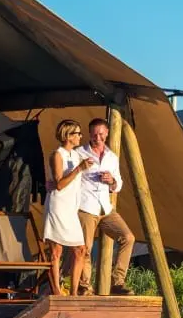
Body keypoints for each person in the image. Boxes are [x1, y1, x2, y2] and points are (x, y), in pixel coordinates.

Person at [75, 117, 135, 295]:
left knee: (128, 237)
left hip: (105, 207)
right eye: (94, 135)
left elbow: (119, 184)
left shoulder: (111, 157)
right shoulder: (79, 153)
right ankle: (84, 286)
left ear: (107, 133)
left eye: (101, 134)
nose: (98, 138)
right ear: (89, 134)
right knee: (85, 248)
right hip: (85, 206)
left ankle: (117, 282)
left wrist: (112, 181)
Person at [43, 119, 94, 295]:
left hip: (71, 207)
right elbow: (59, 184)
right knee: (56, 251)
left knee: (80, 250)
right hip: (58, 205)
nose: (80, 136)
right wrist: (79, 169)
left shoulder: (76, 155)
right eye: (78, 133)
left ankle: (73, 293)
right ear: (68, 135)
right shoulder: (57, 155)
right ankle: (57, 291)